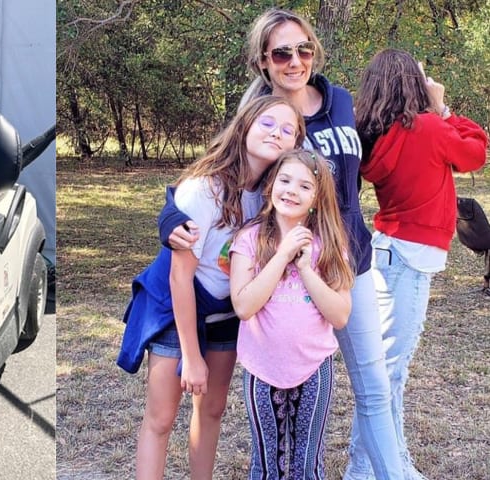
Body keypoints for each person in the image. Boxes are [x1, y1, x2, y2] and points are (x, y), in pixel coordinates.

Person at [157, 8, 405, 479]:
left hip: (344, 259)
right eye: (282, 53)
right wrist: (170, 214)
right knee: (276, 409)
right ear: (263, 62)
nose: (295, 60)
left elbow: (357, 177)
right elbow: (219, 171)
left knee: (373, 385)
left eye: (304, 48)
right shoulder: (265, 117)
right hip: (276, 273)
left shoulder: (342, 103)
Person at [117, 95, 305, 480]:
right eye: (268, 123)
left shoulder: (275, 195)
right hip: (176, 307)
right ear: (246, 124)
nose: (276, 133)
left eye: (288, 130)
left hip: (226, 311)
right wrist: (192, 355)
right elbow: (179, 277)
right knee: (161, 416)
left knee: (212, 409)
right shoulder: (204, 189)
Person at [353, 49, 488, 479]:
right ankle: (371, 469)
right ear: (414, 82)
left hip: (389, 251)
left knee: (385, 371)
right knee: (389, 375)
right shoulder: (428, 127)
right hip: (408, 259)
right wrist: (442, 107)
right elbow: (475, 152)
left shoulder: (375, 134)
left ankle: (374, 466)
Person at [230, 148, 354, 479]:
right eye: (285, 180)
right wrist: (282, 255)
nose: (291, 191)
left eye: (304, 186)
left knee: (307, 462)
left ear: (317, 197)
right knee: (268, 463)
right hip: (262, 369)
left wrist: (305, 268)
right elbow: (243, 306)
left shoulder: (328, 243)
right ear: (270, 186)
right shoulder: (249, 239)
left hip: (314, 368)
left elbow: (340, 316)